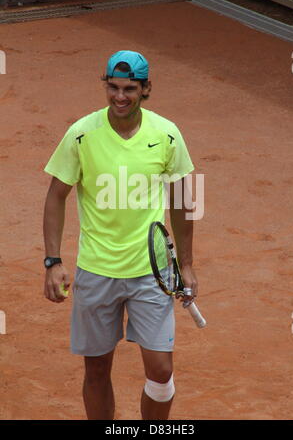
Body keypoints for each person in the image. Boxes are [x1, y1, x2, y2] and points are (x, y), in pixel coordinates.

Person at [43, 50, 198, 420]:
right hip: (97, 271)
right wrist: (53, 261)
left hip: (152, 273)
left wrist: (187, 265)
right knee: (96, 371)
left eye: (130, 88)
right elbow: (55, 197)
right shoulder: (81, 134)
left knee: (161, 371)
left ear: (146, 89)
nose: (120, 97)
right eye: (112, 87)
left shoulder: (167, 135)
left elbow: (181, 201)